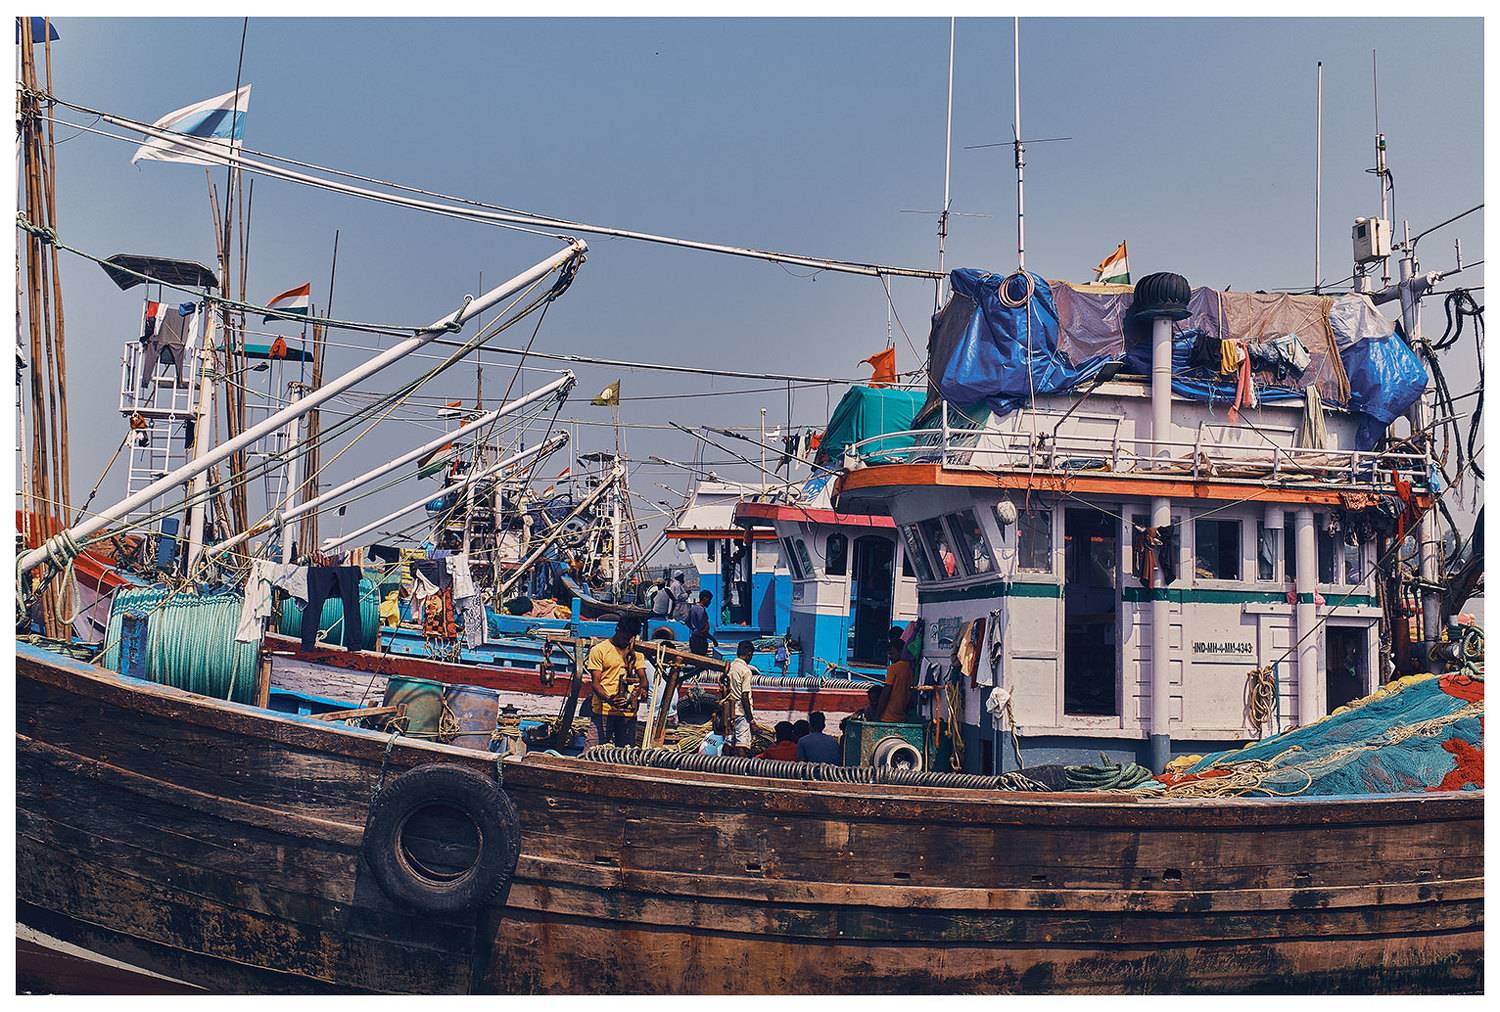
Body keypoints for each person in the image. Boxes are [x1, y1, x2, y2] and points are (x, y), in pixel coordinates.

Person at [585, 616, 646, 747]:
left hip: (627, 714)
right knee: (591, 751)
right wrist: (609, 699)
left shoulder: (637, 654)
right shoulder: (599, 650)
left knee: (624, 755)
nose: (628, 640)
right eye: (626, 636)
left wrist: (633, 696)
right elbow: (596, 684)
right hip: (603, 711)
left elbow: (643, 681)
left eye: (631, 637)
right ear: (618, 629)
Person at [722, 639, 757, 756]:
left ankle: (723, 766)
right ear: (749, 654)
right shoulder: (746, 671)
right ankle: (742, 770)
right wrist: (751, 720)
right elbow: (745, 697)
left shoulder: (730, 667)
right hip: (741, 712)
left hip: (729, 712)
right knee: (741, 744)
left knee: (728, 741)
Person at [643, 627, 680, 728]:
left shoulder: (675, 667)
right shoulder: (648, 664)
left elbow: (677, 684)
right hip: (655, 714)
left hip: (672, 713)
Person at [875, 640, 915, 723]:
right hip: (903, 716)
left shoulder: (893, 668)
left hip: (888, 716)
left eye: (892, 654)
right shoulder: (911, 668)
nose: (890, 657)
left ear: (901, 652)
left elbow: (886, 692)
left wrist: (877, 715)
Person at [686, 590, 718, 658]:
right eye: (709, 600)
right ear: (705, 598)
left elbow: (687, 622)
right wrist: (713, 640)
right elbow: (702, 629)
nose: (710, 602)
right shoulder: (701, 610)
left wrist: (693, 629)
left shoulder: (693, 608)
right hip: (700, 641)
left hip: (693, 639)